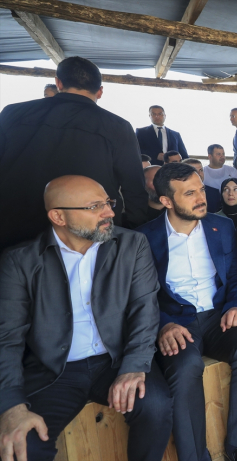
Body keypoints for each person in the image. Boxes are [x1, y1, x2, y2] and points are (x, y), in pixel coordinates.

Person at [0, 175, 172, 461]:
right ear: (58, 216)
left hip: (116, 360)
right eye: (94, 207)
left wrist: (134, 366)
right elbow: (7, 338)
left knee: (155, 406)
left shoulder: (131, 245)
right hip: (54, 372)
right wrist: (11, 405)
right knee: (24, 445)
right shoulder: (20, 261)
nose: (109, 213)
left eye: (108, 202)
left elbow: (144, 310)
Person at [137, 164, 237, 461]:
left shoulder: (221, 226)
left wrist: (236, 305)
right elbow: (141, 295)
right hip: (176, 321)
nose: (201, 198)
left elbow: (236, 274)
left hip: (219, 315)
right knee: (184, 367)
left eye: (201, 189)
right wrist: (163, 325)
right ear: (166, 200)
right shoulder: (144, 238)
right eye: (189, 193)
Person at [0, 56, 149, 251]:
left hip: (14, 230)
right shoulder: (117, 126)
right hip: (88, 237)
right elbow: (134, 188)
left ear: (59, 83)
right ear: (100, 91)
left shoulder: (13, 113)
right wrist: (131, 234)